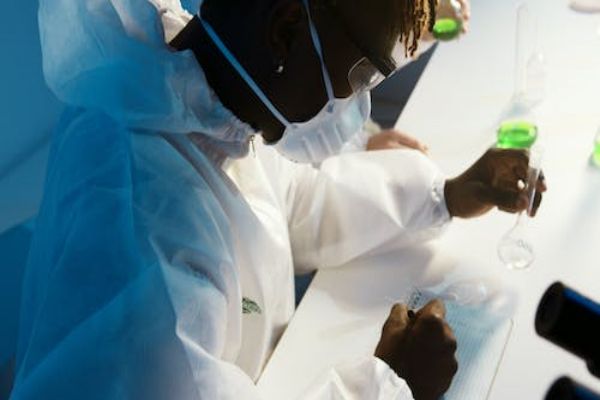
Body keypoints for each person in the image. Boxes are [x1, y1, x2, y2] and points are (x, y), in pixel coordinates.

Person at [11, 0, 545, 399]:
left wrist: (443, 195)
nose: (359, 107)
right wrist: (390, 384)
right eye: (361, 74)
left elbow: (287, 202)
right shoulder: (148, 251)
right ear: (284, 31)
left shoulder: (200, 90)